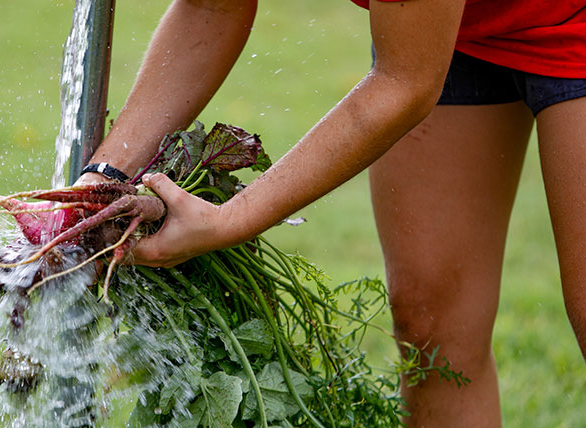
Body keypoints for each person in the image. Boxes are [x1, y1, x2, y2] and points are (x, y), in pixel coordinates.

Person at [77, 0, 586, 426]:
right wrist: (103, 178)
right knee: (432, 326)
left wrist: (229, 220)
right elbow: (213, 6)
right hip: (448, 26)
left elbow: (403, 84)